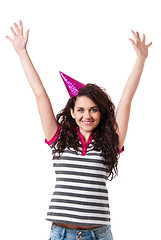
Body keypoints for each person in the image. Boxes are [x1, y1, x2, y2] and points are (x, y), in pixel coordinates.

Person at [6, 20, 152, 240]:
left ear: (101, 114)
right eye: (81, 110)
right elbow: (40, 94)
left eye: (94, 110)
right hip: (61, 233)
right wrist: (22, 52)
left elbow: (126, 102)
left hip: (98, 234)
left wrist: (141, 59)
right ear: (72, 113)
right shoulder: (58, 139)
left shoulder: (110, 142)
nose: (87, 116)